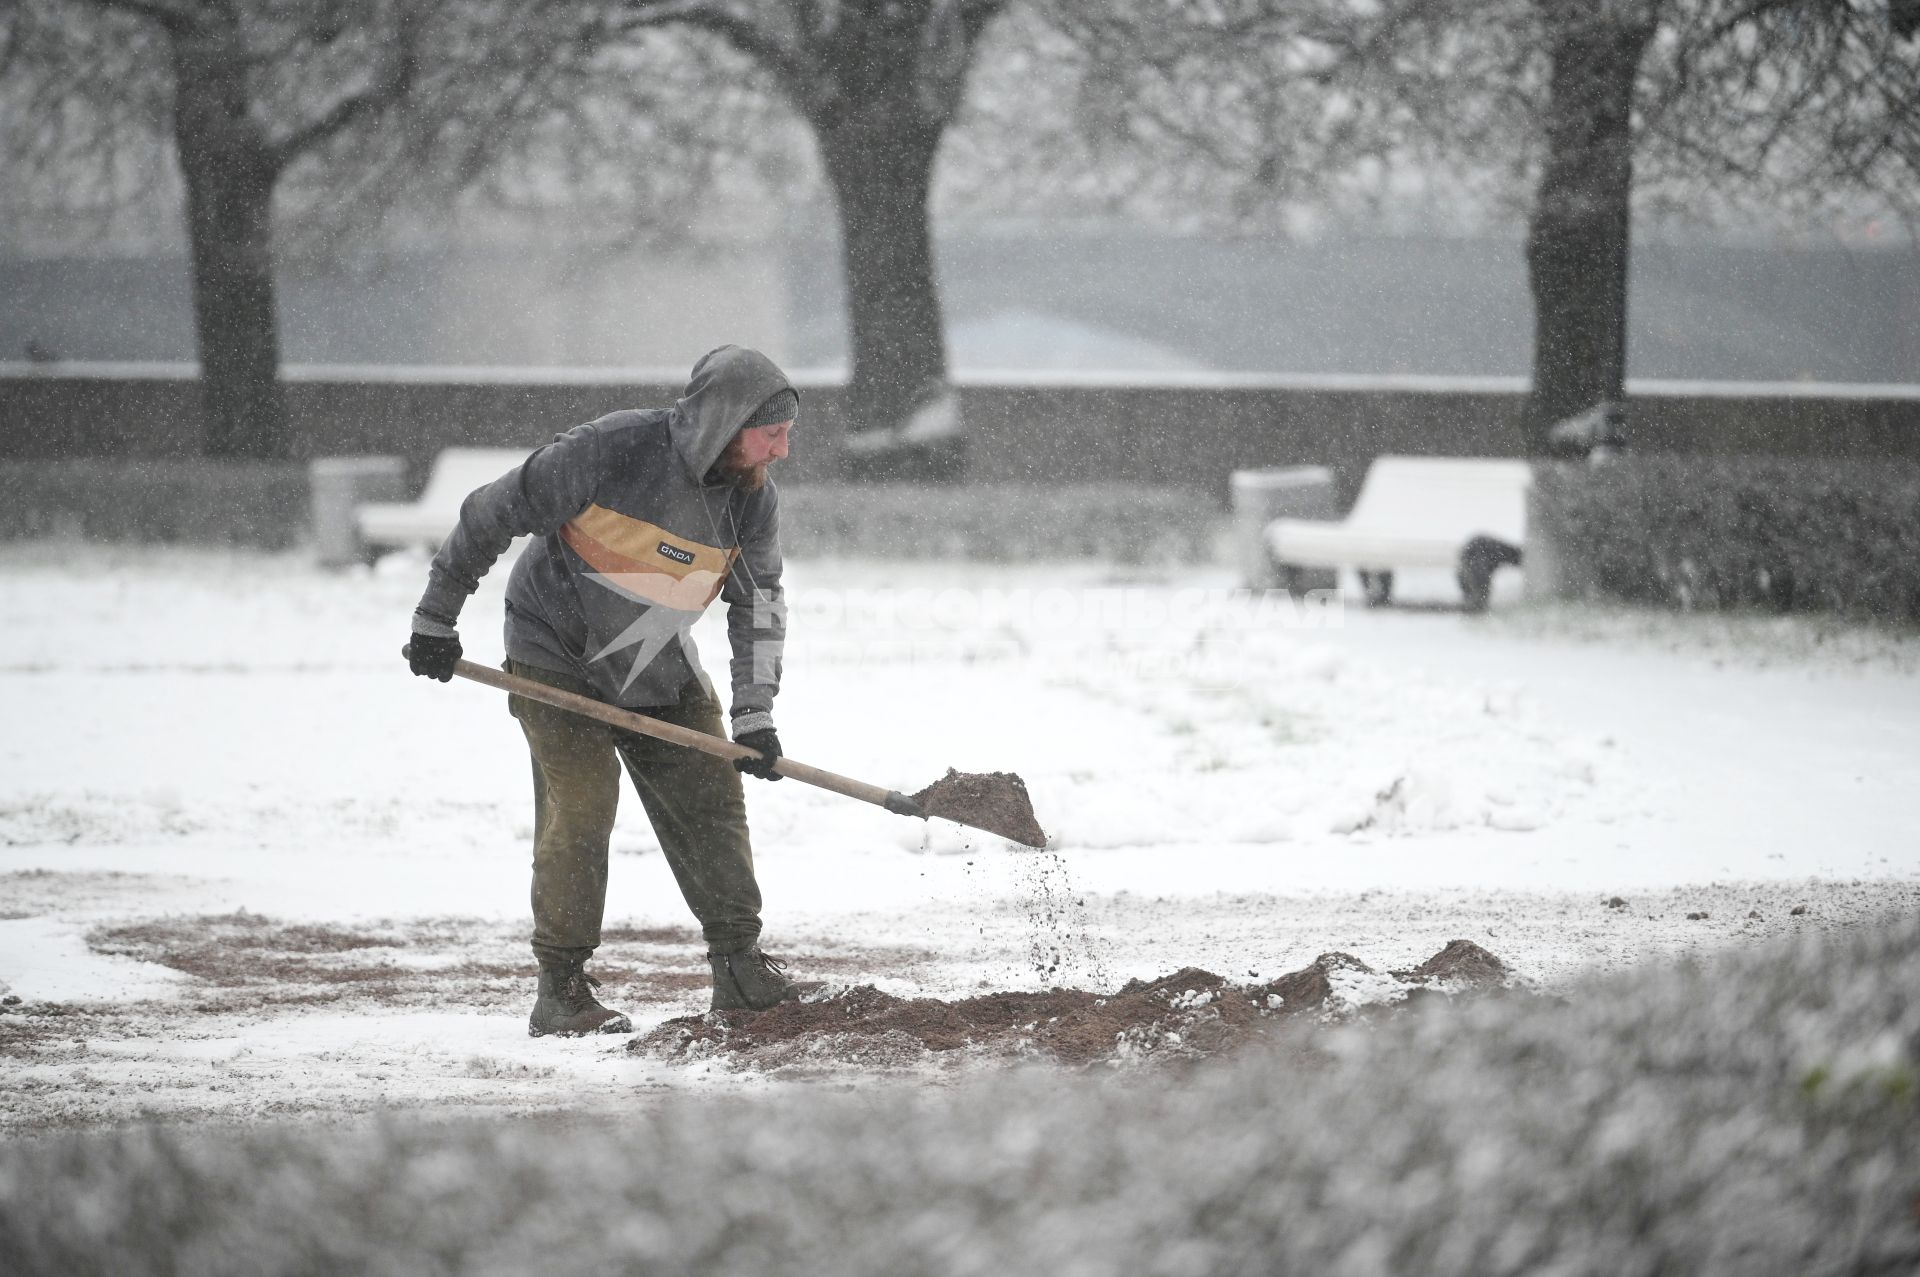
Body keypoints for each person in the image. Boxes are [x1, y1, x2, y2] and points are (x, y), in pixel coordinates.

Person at [402, 346, 816, 1036]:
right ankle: (561, 987)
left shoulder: (750, 501)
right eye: (771, 430)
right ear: (726, 421)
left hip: (656, 662)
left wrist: (754, 713)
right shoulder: (612, 450)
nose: (783, 447)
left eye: (787, 430)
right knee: (582, 806)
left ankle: (740, 967)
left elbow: (761, 605)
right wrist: (435, 615)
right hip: (554, 653)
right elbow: (492, 509)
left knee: (710, 797)